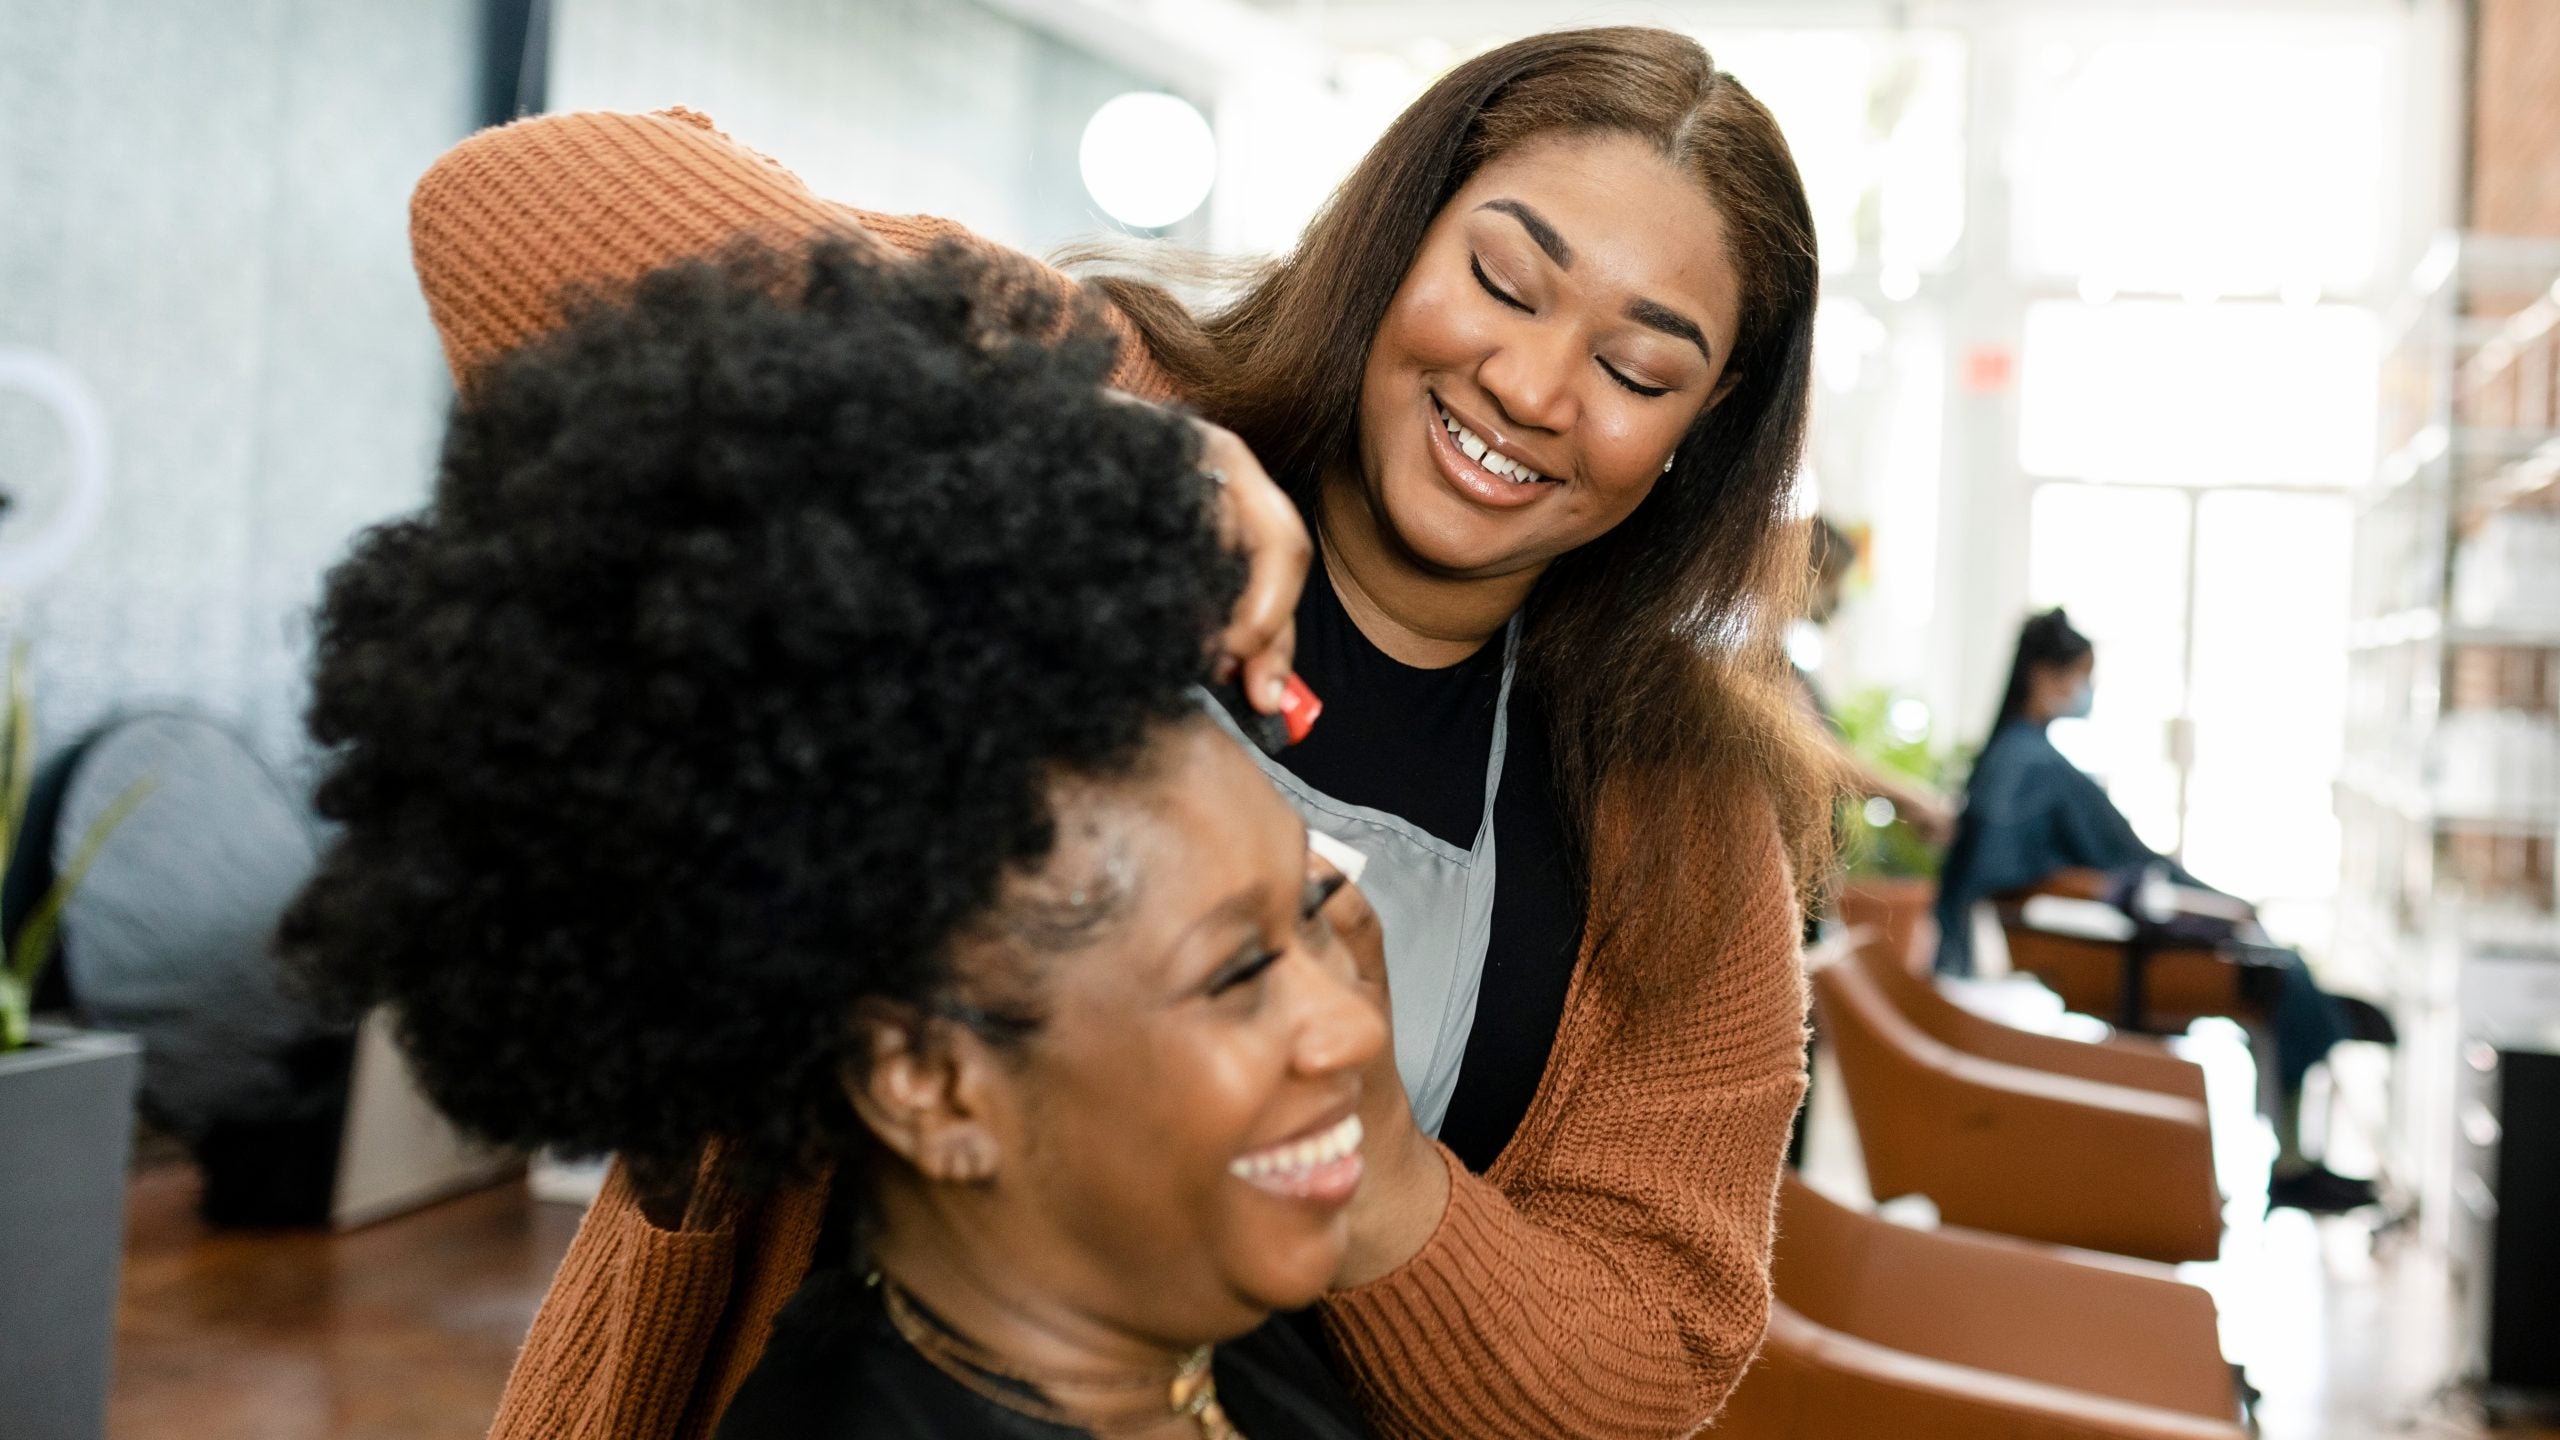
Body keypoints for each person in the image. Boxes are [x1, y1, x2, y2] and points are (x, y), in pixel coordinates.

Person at [410, 27, 1834, 1439]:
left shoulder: (1683, 813)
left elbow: (1647, 1366)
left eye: (1640, 373)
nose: (1533, 388)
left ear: (1701, 436)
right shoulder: (1100, 405)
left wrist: (1375, 1159)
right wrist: (1085, 458)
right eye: (1502, 281)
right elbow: (505, 218)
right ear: (1398, 239)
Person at [283, 240, 1388, 1438]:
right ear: (926, 1083)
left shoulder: (1226, 1349)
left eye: (1313, 917)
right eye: (1237, 973)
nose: (1353, 1027)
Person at [1935, 608, 2387, 1214]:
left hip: (2122, 920)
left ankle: (2296, 1149)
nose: (2088, 694)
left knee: (2279, 958)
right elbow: (2037, 878)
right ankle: (2294, 1163)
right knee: (2279, 971)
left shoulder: (2021, 757)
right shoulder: (2030, 764)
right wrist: (2167, 899)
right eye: (2083, 677)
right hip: (2112, 948)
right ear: (2047, 676)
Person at [1793, 516, 1955, 847]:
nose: (1838, 598)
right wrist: (1911, 797)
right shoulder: (1755, 659)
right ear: (1815, 573)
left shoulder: (1780, 658)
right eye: (1836, 581)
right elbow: (1815, 754)